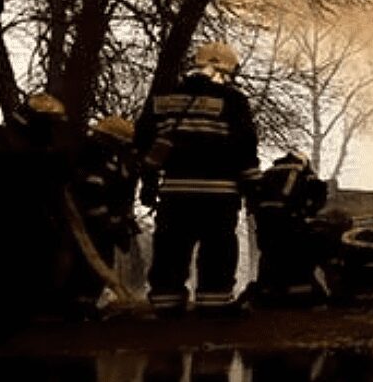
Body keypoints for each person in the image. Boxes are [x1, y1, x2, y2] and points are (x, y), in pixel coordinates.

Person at [136, 41, 261, 317]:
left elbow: (144, 141)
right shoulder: (233, 101)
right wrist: (254, 190)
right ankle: (213, 304)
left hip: (175, 194)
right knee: (217, 250)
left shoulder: (163, 99)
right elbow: (245, 148)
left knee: (171, 249)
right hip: (219, 195)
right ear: (228, 70)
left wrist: (148, 183)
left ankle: (167, 305)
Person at [0, 91, 70, 331]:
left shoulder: (32, 145)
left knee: (36, 254)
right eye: (51, 125)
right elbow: (24, 174)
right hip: (14, 218)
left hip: (30, 216)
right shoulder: (7, 144)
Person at [64, 114, 140, 318]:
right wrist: (105, 221)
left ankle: (85, 305)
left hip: (101, 227)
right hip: (90, 228)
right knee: (88, 266)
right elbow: (92, 190)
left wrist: (124, 222)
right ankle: (78, 308)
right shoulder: (96, 157)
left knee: (100, 265)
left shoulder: (111, 159)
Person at [250, 150, 329, 306]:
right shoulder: (302, 172)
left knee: (269, 257)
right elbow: (319, 192)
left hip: (265, 225)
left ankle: (267, 294)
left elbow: (253, 196)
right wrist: (308, 213)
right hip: (289, 222)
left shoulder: (267, 174)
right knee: (295, 258)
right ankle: (300, 296)